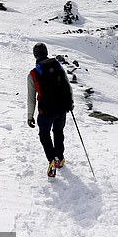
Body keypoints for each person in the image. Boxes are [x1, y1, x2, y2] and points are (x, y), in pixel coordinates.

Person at [27, 42, 74, 177]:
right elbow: (67, 85)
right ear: (46, 52)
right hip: (61, 108)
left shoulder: (33, 74)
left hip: (45, 111)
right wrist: (70, 102)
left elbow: (31, 97)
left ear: (35, 55)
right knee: (58, 132)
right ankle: (60, 158)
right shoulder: (58, 67)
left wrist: (30, 116)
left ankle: (52, 160)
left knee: (44, 135)